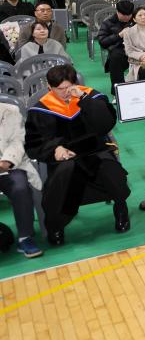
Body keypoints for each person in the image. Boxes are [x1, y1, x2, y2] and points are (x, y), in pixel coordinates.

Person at [25, 65, 130, 246]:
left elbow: (105, 124)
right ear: (49, 87)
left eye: (69, 87)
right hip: (64, 159)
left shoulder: (92, 97)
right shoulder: (40, 109)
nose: (66, 92)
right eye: (60, 89)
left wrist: (83, 98)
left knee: (111, 170)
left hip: (95, 151)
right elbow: (33, 144)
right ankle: (56, 225)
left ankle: (120, 207)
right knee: (65, 174)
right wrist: (54, 149)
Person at [0, 100, 44, 258]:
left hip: (10, 165)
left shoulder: (10, 111)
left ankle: (25, 237)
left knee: (20, 187)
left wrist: (6, 161)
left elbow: (18, 141)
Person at [97, 0, 135, 91]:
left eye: (129, 15)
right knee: (115, 57)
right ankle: (118, 90)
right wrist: (119, 35)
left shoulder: (136, 20)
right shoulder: (108, 23)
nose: (127, 17)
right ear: (117, 12)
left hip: (137, 49)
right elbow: (102, 42)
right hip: (120, 51)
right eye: (124, 15)